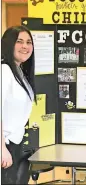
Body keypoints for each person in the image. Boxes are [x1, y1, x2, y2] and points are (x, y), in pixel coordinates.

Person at [1, 26, 36, 184]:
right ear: (9, 44)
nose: (25, 46)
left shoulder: (20, 72)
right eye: (19, 41)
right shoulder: (5, 71)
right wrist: (1, 149)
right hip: (5, 146)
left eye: (29, 42)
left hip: (16, 144)